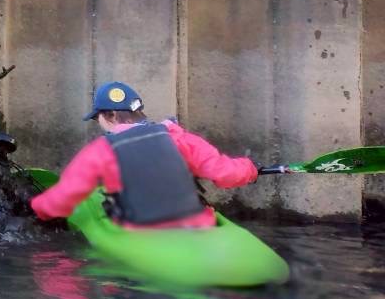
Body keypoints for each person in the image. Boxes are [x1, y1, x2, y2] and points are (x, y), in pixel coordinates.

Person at [30, 82, 259, 228]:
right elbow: (226, 173)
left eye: (97, 117)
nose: (98, 123)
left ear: (109, 115)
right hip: (195, 226)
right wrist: (251, 169)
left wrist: (37, 209)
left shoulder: (101, 151)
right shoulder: (178, 137)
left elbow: (63, 198)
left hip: (143, 232)